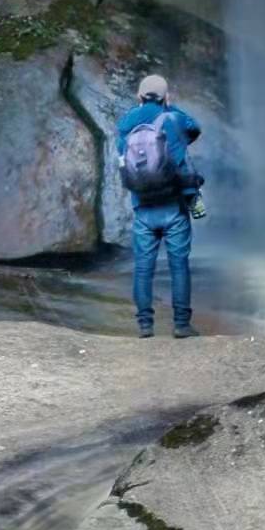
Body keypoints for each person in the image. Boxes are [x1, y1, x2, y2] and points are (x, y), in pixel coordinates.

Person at [117, 73, 204, 340]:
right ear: (166, 97)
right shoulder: (173, 119)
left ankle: (145, 325)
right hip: (173, 206)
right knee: (179, 265)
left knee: (143, 267)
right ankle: (181, 324)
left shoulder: (125, 123)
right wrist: (169, 107)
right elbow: (194, 130)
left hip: (142, 206)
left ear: (139, 96)